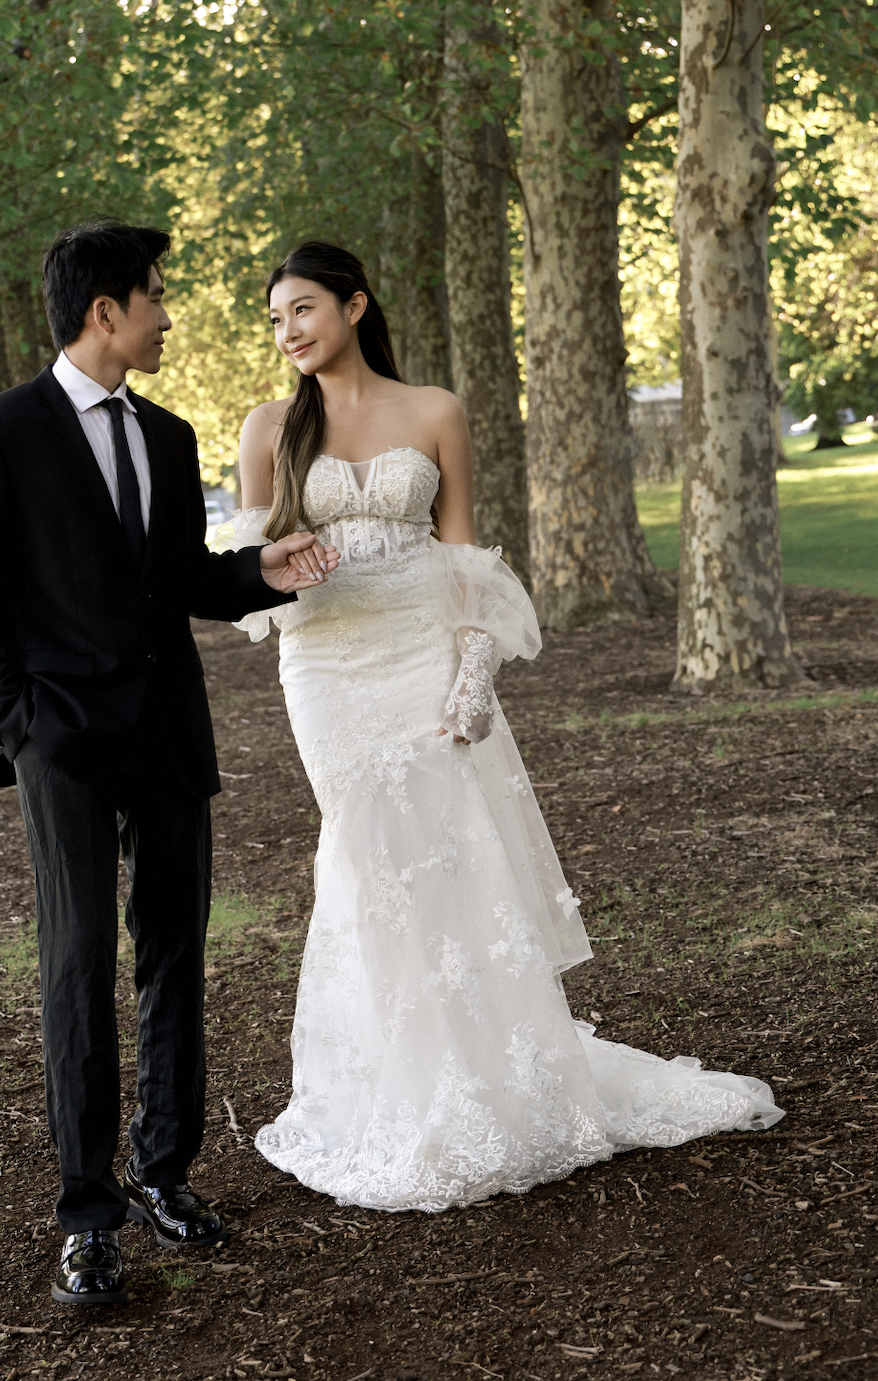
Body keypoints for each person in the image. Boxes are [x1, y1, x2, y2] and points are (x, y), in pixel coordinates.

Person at [234, 240, 782, 1213]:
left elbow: (463, 554)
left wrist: (472, 669)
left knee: (446, 853)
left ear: (355, 303)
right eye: (275, 319)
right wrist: (281, 558)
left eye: (303, 308)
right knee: (365, 856)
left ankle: (491, 1073)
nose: (289, 332)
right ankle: (393, 1081)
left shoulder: (435, 409)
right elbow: (245, 571)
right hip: (324, 666)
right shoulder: (269, 426)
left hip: (419, 648)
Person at [0, 222, 337, 1304]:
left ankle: (162, 1171)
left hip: (165, 733)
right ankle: (88, 1213)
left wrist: (265, 568)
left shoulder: (164, 433)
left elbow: (176, 581)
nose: (167, 314)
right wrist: (19, 726)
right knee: (75, 970)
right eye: (155, 296)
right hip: (59, 743)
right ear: (104, 311)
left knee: (173, 959)